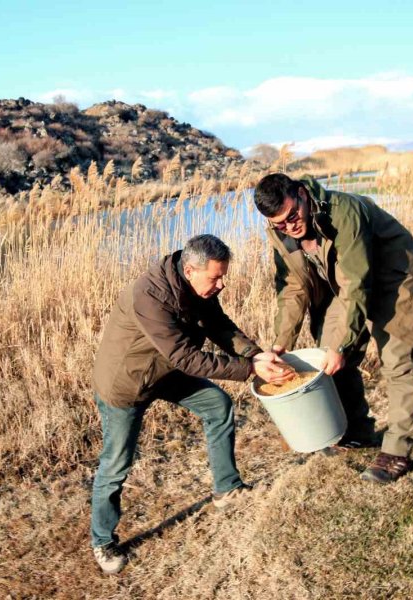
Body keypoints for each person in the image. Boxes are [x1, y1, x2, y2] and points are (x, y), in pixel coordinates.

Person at [89, 234, 292, 575]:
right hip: (127, 384)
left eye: (223, 275)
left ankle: (226, 489)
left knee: (217, 405)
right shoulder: (150, 295)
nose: (221, 284)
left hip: (164, 371)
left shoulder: (197, 287)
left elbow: (219, 326)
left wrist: (255, 354)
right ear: (190, 269)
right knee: (116, 465)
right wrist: (250, 370)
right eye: (216, 277)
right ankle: (102, 540)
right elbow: (187, 358)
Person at [253, 173, 413, 483]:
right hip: (351, 287)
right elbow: (292, 286)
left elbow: (357, 282)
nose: (290, 227)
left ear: (301, 194)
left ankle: (397, 452)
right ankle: (357, 431)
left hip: (398, 279)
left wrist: (343, 345)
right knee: (329, 358)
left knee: (398, 362)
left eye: (292, 216)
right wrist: (280, 344)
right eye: (280, 224)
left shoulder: (343, 211)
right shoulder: (280, 231)